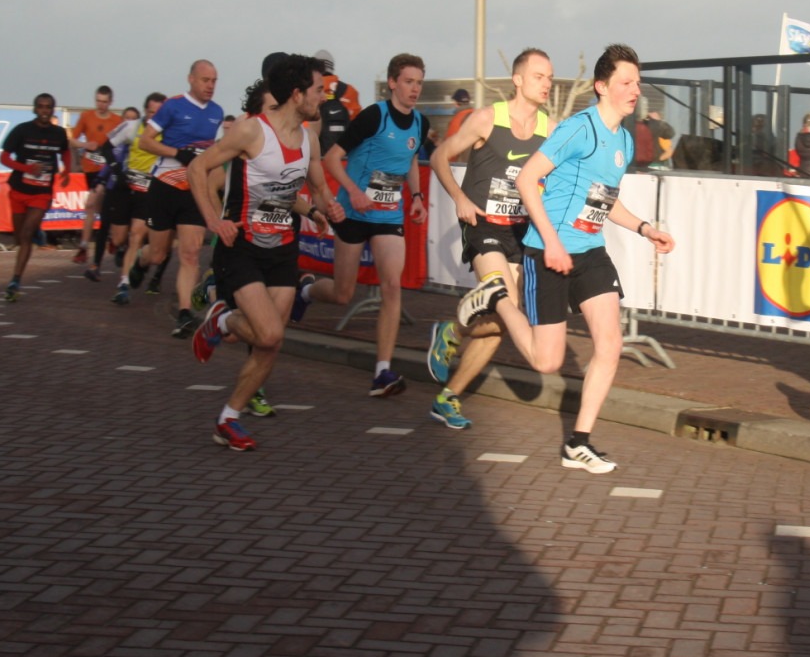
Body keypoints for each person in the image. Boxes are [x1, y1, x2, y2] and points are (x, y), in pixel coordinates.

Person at [454, 44, 676, 473]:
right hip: (547, 251)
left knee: (610, 344)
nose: (635, 90)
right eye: (626, 83)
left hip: (590, 251)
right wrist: (552, 242)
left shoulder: (624, 140)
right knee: (547, 361)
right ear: (602, 87)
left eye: (637, 82)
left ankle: (578, 442)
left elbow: (605, 199)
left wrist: (645, 228)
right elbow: (526, 179)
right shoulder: (578, 128)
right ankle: (496, 297)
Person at [189, 54, 342, 451]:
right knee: (269, 331)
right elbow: (197, 169)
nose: (323, 97)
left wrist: (326, 207)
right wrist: (213, 221)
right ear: (297, 94)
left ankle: (228, 418)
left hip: (283, 249)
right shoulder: (251, 131)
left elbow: (314, 188)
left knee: (271, 342)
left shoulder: (309, 138)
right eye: (318, 90)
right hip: (241, 246)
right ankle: (222, 321)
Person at [425, 47, 554, 429]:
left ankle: (448, 393)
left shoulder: (550, 130)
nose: (546, 84)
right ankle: (450, 331)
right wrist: (460, 198)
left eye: (549, 77)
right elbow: (439, 157)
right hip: (483, 225)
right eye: (539, 77)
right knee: (507, 304)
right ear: (518, 79)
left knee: (502, 323)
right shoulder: (486, 119)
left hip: (519, 231)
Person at [305, 52, 430, 397]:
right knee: (342, 294)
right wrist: (354, 192)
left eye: (419, 83)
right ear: (392, 83)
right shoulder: (374, 116)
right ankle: (306, 291)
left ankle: (382, 371)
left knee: (392, 287)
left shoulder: (420, 123)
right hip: (354, 214)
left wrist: (417, 197)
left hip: (389, 217)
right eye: (408, 81)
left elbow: (411, 161)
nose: (414, 89)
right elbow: (333, 159)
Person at [137, 60, 225, 336]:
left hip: (194, 189)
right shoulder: (173, 106)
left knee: (190, 253)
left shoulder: (217, 112)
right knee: (158, 254)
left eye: (214, 81)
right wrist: (178, 153)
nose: (210, 86)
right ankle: (141, 259)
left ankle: (184, 314)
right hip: (165, 185)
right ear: (191, 79)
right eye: (205, 80)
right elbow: (145, 141)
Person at [0, 94, 71, 300]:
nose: (44, 111)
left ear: (53, 110)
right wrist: (27, 168)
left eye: (48, 107)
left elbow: (65, 152)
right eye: (41, 107)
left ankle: (15, 281)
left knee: (27, 233)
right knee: (20, 239)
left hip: (41, 192)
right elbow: (4, 157)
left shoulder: (59, 133)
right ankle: (33, 235)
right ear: (35, 109)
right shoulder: (22, 130)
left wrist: (66, 171)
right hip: (19, 190)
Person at [108, 92, 166, 304]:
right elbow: (106, 146)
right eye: (150, 113)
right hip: (126, 188)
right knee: (118, 239)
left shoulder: (168, 132)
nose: (153, 118)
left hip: (149, 191)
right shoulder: (131, 127)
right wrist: (116, 170)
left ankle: (123, 285)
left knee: (136, 235)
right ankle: (121, 249)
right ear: (144, 111)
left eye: (158, 114)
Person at [70, 85, 120, 263]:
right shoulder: (86, 116)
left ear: (111, 102)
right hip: (90, 169)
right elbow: (72, 140)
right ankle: (111, 237)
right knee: (100, 207)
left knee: (91, 203)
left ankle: (83, 247)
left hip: (106, 170)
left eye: (104, 102)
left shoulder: (117, 120)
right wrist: (86, 145)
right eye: (98, 101)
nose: (101, 105)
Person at [314, 50, 361, 156]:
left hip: (316, 159)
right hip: (343, 160)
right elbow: (358, 127)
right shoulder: (349, 91)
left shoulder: (308, 90)